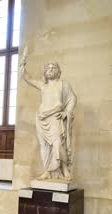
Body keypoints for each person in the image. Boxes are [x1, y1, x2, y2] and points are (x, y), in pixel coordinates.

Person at [19, 47, 77, 181]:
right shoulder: (42, 85)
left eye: (53, 68)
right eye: (48, 68)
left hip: (55, 118)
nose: (50, 70)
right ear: (45, 72)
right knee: (44, 147)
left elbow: (72, 98)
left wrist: (66, 112)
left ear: (58, 71)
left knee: (58, 144)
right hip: (42, 119)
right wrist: (23, 60)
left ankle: (64, 170)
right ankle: (48, 171)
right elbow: (26, 77)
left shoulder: (63, 85)